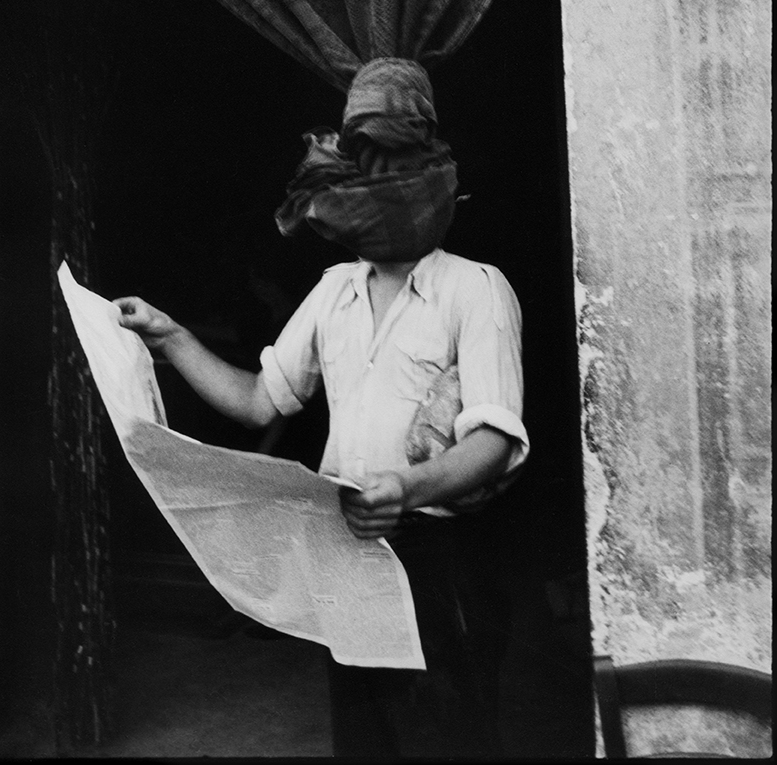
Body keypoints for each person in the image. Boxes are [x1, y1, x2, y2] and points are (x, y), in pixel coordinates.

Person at [115, 57, 529, 760]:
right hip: (348, 552)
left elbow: (491, 439)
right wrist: (170, 335)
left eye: (391, 166)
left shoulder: (476, 289)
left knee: (451, 735)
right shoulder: (335, 289)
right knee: (366, 735)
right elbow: (256, 400)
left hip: (439, 560)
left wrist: (407, 488)